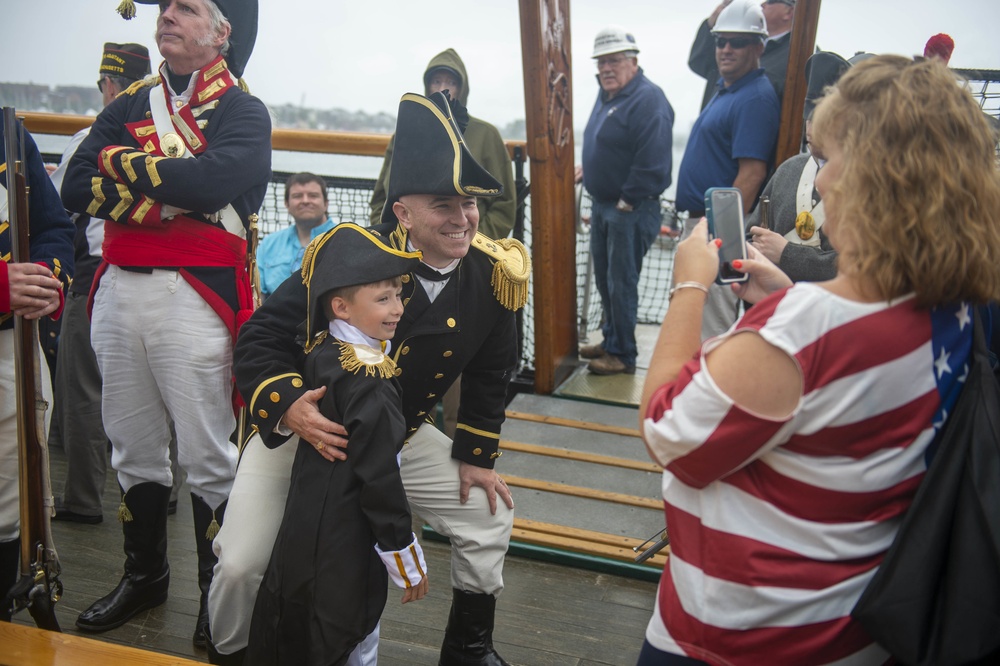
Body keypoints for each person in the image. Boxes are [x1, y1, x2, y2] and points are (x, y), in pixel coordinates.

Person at [636, 54, 1000, 665]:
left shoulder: (803, 331)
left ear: (878, 178)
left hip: (740, 638)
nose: (821, 181)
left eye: (829, 159)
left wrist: (689, 286)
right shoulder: (965, 305)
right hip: (855, 628)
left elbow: (668, 432)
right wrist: (790, 292)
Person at [209, 90, 529, 666]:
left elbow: (491, 370)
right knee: (238, 564)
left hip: (393, 436)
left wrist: (477, 453)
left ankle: (468, 650)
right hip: (309, 430)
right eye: (444, 205)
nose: (463, 220)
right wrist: (288, 407)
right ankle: (231, 654)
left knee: (489, 515)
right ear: (403, 213)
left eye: (470, 204)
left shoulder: (491, 271)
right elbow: (258, 338)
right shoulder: (347, 255)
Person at [60, 0, 270, 648]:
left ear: (222, 32)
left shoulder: (242, 111)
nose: (167, 14)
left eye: (185, 7)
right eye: (166, 6)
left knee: (208, 453)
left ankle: (217, 598)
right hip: (118, 290)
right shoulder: (130, 105)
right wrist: (165, 198)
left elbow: (216, 184)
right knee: (132, 444)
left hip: (194, 296)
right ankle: (144, 575)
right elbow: (73, 183)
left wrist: (124, 172)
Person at [246, 223, 428, 665]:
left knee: (293, 615)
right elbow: (380, 475)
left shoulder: (323, 351)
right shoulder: (373, 379)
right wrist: (404, 555)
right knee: (351, 634)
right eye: (383, 299)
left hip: (307, 519)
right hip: (347, 530)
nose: (398, 309)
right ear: (342, 307)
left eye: (398, 295)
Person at [46, 42, 152, 526]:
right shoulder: (166, 139)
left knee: (84, 388)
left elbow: (55, 201)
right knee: (157, 391)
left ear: (109, 84)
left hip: (95, 273)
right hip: (160, 275)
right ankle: (162, 495)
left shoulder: (92, 137)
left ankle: (84, 497)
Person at [0, 118, 75, 623]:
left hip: (12, 341)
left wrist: (46, 279)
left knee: (11, 499)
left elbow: (52, 228)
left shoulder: (8, 131)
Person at [675, 0, 780, 340]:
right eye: (721, 41)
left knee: (712, 325)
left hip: (715, 230)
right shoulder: (726, 89)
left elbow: (752, 173)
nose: (726, 49)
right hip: (702, 225)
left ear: (759, 46)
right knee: (690, 315)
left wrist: (721, 238)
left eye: (737, 41)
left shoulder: (755, 98)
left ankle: (711, 392)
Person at [577, 25, 674, 376]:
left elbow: (653, 160)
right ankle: (611, 339)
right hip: (606, 206)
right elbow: (610, 146)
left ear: (633, 62)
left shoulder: (648, 99)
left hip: (629, 209)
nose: (606, 68)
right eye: (601, 61)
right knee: (606, 281)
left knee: (622, 282)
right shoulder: (609, 95)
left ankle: (623, 355)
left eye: (614, 60)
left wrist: (626, 202)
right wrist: (588, 168)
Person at [369, 48, 516, 242]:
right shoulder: (405, 134)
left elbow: (505, 204)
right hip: (404, 248)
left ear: (462, 88)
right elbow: (381, 197)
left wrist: (471, 243)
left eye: (451, 82)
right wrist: (388, 238)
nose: (442, 88)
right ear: (427, 86)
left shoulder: (486, 135)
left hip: (467, 246)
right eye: (436, 81)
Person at [744, 51, 851, 283]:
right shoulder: (789, 169)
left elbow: (861, 267)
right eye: (809, 119)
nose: (810, 129)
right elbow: (751, 237)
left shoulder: (869, 181)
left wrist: (787, 254)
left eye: (820, 120)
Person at [689, 0, 795, 111]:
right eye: (720, 42)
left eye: (769, 1)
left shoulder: (797, 57)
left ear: (789, 11)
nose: (762, 5)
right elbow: (699, 61)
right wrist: (715, 19)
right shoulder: (735, 46)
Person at [257, 172, 337, 299]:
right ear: (287, 204)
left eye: (313, 195)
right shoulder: (269, 244)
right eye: (297, 196)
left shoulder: (343, 239)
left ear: (326, 204)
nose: (305, 201)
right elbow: (257, 294)